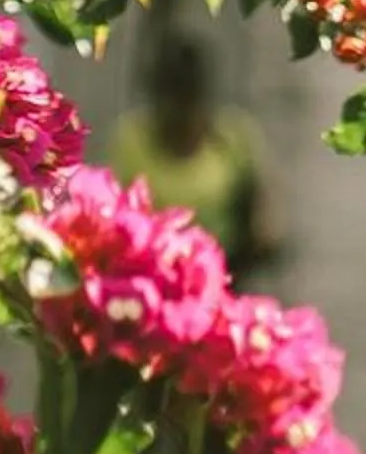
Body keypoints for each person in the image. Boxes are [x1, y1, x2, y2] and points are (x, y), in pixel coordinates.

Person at [106, 30, 280, 282]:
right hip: (147, 280)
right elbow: (112, 216)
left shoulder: (232, 139)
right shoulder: (132, 141)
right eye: (170, 98)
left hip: (220, 278)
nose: (178, 110)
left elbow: (264, 220)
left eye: (187, 99)